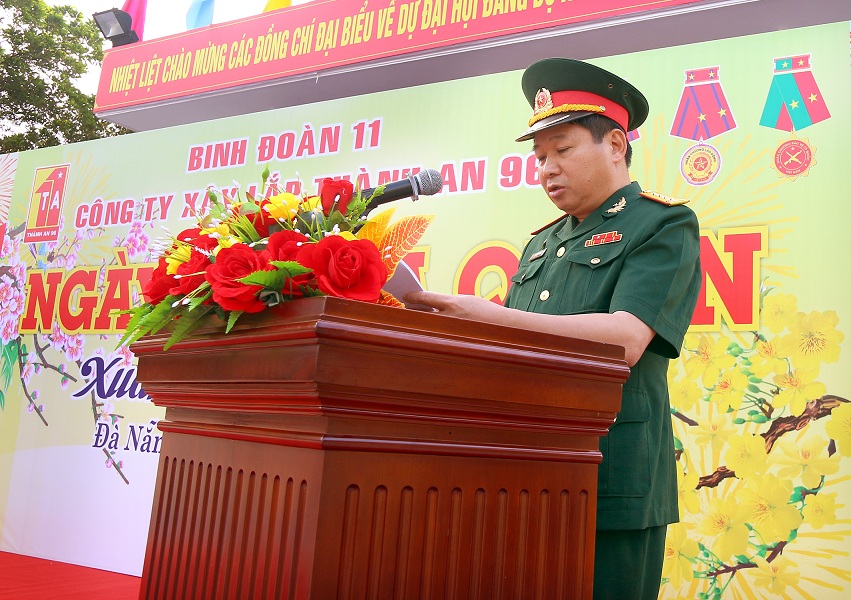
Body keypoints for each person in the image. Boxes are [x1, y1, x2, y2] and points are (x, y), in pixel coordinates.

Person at [405, 58, 702, 599]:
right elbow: (508, 347)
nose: (546, 169)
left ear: (616, 144)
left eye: (562, 150)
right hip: (525, 477)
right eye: (540, 157)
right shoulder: (541, 244)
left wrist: (488, 314)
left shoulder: (662, 224)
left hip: (612, 480)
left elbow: (627, 339)